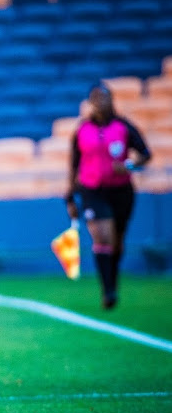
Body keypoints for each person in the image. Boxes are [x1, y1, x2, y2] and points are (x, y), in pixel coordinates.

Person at [65, 83, 151, 309]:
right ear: (90, 104)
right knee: (102, 237)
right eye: (96, 99)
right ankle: (108, 290)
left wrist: (129, 165)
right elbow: (74, 165)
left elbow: (145, 153)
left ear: (111, 101)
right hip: (92, 189)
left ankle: (113, 278)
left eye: (104, 98)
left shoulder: (123, 127)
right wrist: (70, 197)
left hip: (121, 190)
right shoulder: (82, 130)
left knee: (117, 241)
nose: (101, 103)